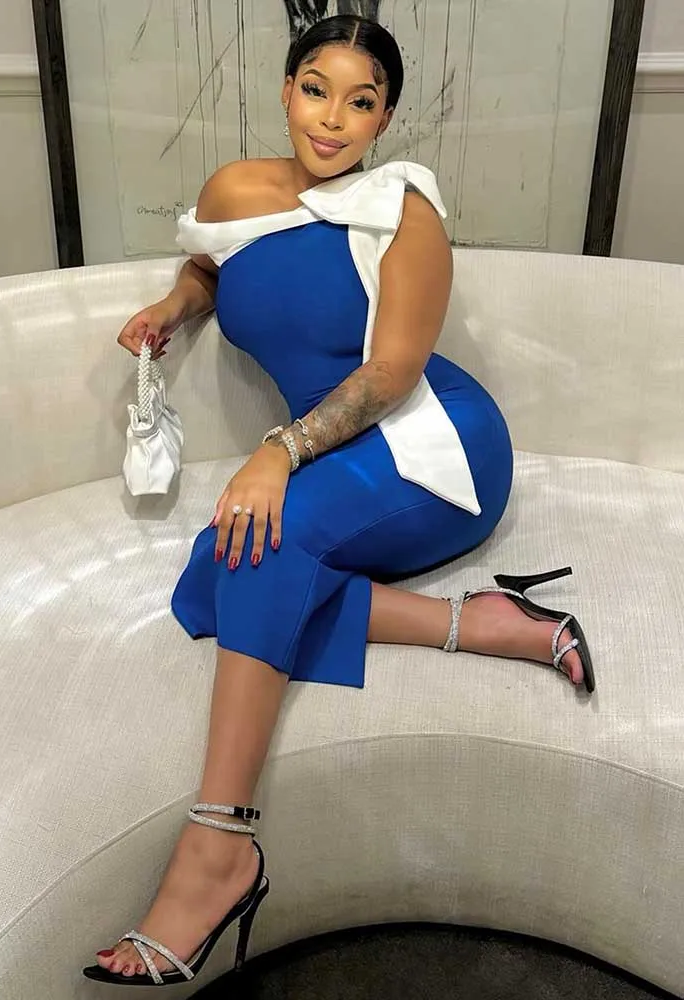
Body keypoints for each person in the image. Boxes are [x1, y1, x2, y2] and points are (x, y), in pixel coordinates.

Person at [83, 14, 594, 988]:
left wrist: (278, 453)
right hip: (336, 452)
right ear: (286, 90)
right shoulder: (236, 189)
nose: (331, 118)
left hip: (434, 449)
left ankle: (219, 846)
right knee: (209, 582)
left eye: (361, 102)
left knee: (256, 552)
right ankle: (484, 623)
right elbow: (211, 264)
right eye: (315, 89)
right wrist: (172, 309)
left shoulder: (404, 211)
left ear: (384, 119)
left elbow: (393, 374)